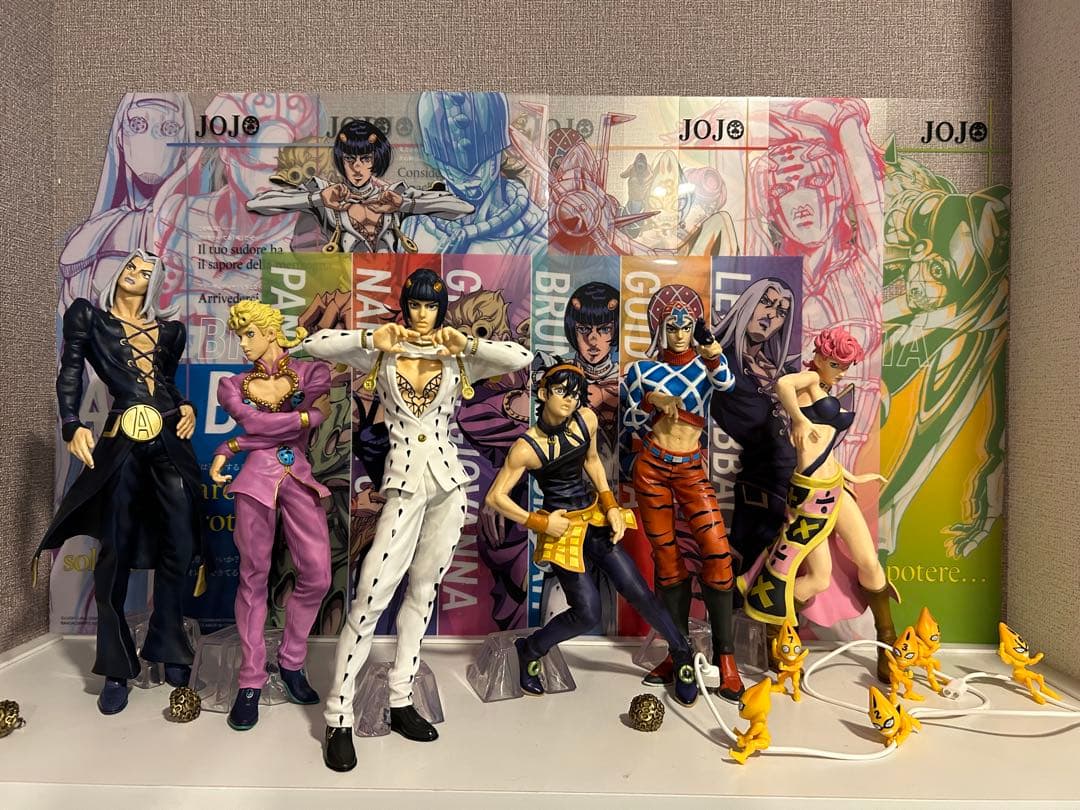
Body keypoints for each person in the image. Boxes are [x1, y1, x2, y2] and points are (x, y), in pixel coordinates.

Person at [302, 268, 533, 772]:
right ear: (405, 306)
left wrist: (469, 343)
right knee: (371, 595)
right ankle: (338, 715)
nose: (423, 314)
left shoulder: (456, 353)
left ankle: (402, 697)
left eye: (432, 305)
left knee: (423, 591)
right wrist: (369, 338)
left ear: (442, 309)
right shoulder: (382, 350)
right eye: (416, 304)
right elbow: (312, 345)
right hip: (403, 484)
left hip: (448, 485)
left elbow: (521, 357)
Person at [35, 249, 204, 715]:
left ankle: (168, 643)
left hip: (168, 438)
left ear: (157, 283)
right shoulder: (89, 317)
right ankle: (116, 666)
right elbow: (71, 370)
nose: (134, 273)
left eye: (146, 271)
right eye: (131, 266)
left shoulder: (171, 331)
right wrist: (71, 423)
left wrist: (187, 406)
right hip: (120, 439)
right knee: (115, 549)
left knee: (181, 539)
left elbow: (165, 385)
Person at [485, 364, 699, 706]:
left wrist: (611, 504)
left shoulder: (586, 419)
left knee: (637, 590)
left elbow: (593, 460)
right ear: (544, 393)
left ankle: (682, 652)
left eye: (575, 394)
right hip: (562, 530)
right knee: (587, 612)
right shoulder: (526, 447)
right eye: (561, 392)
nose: (569, 400)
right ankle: (530, 649)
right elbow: (495, 497)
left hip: (594, 518)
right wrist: (539, 523)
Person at [738, 326, 898, 682]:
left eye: (845, 366)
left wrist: (855, 477)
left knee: (869, 562)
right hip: (811, 497)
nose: (841, 372)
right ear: (822, 358)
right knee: (819, 579)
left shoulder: (823, 388)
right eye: (836, 364)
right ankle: (777, 634)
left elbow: (824, 446)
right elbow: (782, 385)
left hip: (836, 485)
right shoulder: (809, 379)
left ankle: (887, 642)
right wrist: (797, 418)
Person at [208, 301, 333, 731]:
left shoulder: (311, 373)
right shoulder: (232, 385)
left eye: (249, 334)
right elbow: (260, 424)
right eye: (239, 335)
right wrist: (301, 417)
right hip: (255, 482)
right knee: (253, 577)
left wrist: (239, 442)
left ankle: (292, 661)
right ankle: (250, 679)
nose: (243, 344)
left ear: (270, 331)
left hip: (299, 477)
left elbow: (267, 427)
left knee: (318, 574)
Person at [622, 284, 743, 700]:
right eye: (671, 326)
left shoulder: (705, 366)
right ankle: (678, 653)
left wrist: (712, 352)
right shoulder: (640, 370)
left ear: (695, 328)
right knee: (667, 560)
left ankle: (726, 660)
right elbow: (629, 420)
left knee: (717, 553)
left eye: (686, 326)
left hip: (691, 467)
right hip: (652, 467)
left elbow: (726, 385)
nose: (678, 333)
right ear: (660, 326)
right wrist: (652, 400)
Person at [246, 118, 474, 253]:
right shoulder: (327, 193)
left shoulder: (393, 195)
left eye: (365, 159)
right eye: (349, 159)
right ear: (341, 159)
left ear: (376, 160)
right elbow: (256, 204)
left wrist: (405, 204)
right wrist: (317, 199)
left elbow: (463, 208)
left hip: (387, 291)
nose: (357, 168)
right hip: (342, 291)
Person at [709, 278, 799, 573]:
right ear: (748, 304)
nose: (771, 315)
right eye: (766, 302)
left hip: (795, 487)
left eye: (781, 311)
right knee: (749, 573)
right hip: (758, 489)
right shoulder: (720, 364)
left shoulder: (782, 371)